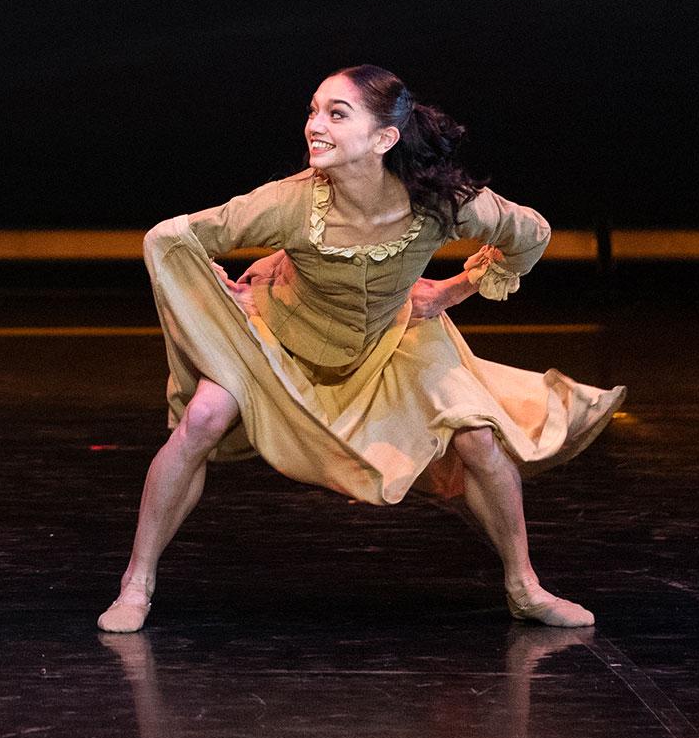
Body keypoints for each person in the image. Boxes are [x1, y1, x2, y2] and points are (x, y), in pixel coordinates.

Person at [99, 65, 624, 633]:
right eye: (313, 111)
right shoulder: (291, 203)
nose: (314, 126)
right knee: (203, 417)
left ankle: (525, 586)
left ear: (384, 139)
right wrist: (218, 293)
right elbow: (172, 239)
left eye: (335, 114)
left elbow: (530, 234)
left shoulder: (442, 203)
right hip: (284, 339)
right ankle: (137, 584)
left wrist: (452, 290)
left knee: (475, 433)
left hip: (393, 338)